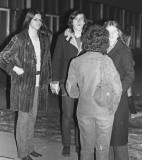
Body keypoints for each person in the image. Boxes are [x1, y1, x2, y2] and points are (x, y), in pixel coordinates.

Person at [0, 9, 52, 160]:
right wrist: (15, 68)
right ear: (28, 20)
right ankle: (23, 152)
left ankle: (30, 148)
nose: (39, 22)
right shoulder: (19, 38)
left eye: (40, 20)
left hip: (38, 83)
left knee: (32, 118)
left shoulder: (43, 39)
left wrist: (48, 80)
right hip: (23, 85)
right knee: (23, 119)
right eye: (36, 19)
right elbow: (2, 57)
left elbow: (46, 61)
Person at [66, 24, 122, 160]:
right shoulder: (106, 61)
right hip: (104, 112)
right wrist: (112, 109)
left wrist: (81, 95)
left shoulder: (76, 61)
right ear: (104, 41)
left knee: (86, 148)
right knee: (102, 149)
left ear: (86, 40)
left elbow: (70, 89)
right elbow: (118, 89)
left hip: (84, 110)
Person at [50, 10, 87, 157]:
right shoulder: (62, 38)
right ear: (71, 21)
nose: (79, 21)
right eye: (76, 19)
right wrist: (54, 81)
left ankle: (79, 144)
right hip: (67, 82)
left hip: (85, 83)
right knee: (67, 115)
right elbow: (57, 60)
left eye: (81, 19)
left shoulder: (88, 38)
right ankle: (66, 145)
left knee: (81, 115)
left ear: (85, 22)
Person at [103, 21, 135, 160]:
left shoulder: (123, 50)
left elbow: (130, 75)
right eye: (108, 31)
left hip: (118, 100)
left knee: (118, 138)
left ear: (119, 34)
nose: (110, 34)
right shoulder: (101, 48)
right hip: (102, 99)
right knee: (105, 139)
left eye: (114, 31)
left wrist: (117, 91)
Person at [123, 33, 142, 119]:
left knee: (127, 93)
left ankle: (132, 111)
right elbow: (130, 63)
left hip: (124, 74)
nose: (130, 42)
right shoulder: (125, 49)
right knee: (128, 92)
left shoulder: (123, 48)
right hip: (125, 74)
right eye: (129, 40)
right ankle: (133, 112)